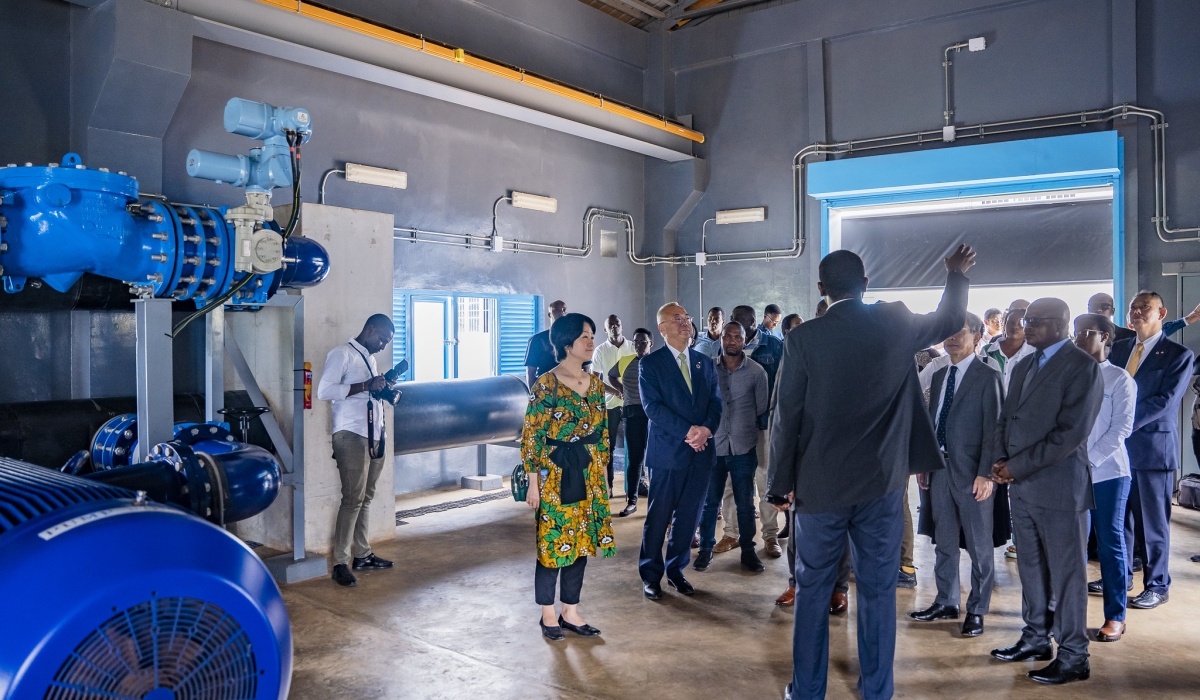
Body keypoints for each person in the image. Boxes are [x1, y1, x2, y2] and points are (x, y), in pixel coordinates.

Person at [768, 245, 974, 700]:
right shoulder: (895, 322)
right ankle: (877, 691)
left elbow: (787, 418)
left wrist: (779, 486)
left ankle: (807, 692)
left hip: (820, 490)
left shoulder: (803, 339)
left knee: (813, 590)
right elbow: (947, 319)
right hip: (882, 486)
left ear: (821, 289)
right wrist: (956, 275)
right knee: (878, 592)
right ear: (866, 284)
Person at [989, 298, 1104, 686]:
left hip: (1059, 490)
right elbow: (1008, 418)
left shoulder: (1082, 368)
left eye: (1036, 321)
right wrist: (1000, 459)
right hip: (1021, 488)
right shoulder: (1023, 365)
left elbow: (1069, 434)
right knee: (1031, 567)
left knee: (1067, 575)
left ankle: (1074, 654)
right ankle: (1036, 637)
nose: (1027, 326)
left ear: (1061, 324)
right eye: (1026, 320)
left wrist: (1015, 466)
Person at [519, 313, 616, 641]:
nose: (591, 342)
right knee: (552, 542)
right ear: (566, 344)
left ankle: (570, 611)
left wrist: (603, 476)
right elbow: (531, 436)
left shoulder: (597, 384)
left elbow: (602, 435)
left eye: (591, 336)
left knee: (581, 542)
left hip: (588, 471)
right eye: (584, 337)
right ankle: (548, 614)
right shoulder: (545, 384)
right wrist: (533, 483)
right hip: (553, 473)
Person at [910, 313, 1002, 638]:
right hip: (939, 469)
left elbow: (995, 430)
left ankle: (976, 610)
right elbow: (933, 425)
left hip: (973, 474)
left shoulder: (988, 376)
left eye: (960, 332)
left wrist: (987, 474)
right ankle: (946, 600)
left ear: (977, 337)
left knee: (979, 547)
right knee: (944, 542)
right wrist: (925, 463)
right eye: (948, 332)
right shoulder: (939, 375)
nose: (952, 338)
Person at [1109, 291, 1195, 610]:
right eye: (1133, 308)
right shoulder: (1117, 349)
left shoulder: (1177, 354)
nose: (1137, 312)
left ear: (1162, 313)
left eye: (1145, 307)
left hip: (1151, 449)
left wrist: (1119, 424)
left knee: (1152, 523)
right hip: (1115, 451)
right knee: (1121, 518)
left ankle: (1157, 584)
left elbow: (1164, 402)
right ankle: (1120, 576)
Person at [638, 303, 722, 600]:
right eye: (677, 319)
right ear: (662, 328)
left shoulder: (704, 362)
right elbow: (653, 408)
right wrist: (690, 432)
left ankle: (676, 570)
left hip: (700, 454)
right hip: (668, 454)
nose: (685, 323)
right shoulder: (651, 365)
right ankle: (651, 575)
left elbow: (715, 402)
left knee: (689, 518)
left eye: (686, 318)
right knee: (658, 518)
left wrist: (706, 430)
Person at [316, 314, 401, 588]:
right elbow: (324, 391)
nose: (382, 346)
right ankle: (340, 562)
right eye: (382, 340)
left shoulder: (369, 358)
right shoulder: (341, 354)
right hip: (350, 434)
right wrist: (366, 385)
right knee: (352, 498)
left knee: (366, 497)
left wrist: (382, 386)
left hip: (373, 434)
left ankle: (362, 555)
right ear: (370, 329)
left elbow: (367, 393)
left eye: (387, 343)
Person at [1073, 314, 1136, 643]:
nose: (1081, 337)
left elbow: (1121, 429)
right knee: (1074, 547)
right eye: (1076, 332)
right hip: (1071, 474)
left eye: (1088, 332)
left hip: (1109, 474)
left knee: (1111, 545)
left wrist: (1090, 461)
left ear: (1106, 337)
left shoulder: (1119, 379)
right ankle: (1072, 614)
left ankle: (1115, 616)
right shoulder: (1069, 375)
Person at [695, 322, 770, 573]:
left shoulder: (757, 372)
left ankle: (748, 550)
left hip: (743, 447)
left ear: (744, 340)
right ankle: (705, 550)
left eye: (737, 337)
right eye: (728, 336)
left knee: (745, 503)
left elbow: (761, 410)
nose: (732, 341)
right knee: (709, 502)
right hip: (713, 446)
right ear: (721, 340)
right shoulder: (707, 370)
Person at [713, 306, 785, 558]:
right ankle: (731, 534)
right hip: (728, 431)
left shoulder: (773, 346)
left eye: (742, 324)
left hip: (763, 427)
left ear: (754, 323)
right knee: (731, 484)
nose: (733, 336)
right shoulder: (721, 353)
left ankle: (770, 535)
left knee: (764, 481)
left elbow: (776, 389)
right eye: (732, 326)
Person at [610, 329, 654, 516]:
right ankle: (631, 501)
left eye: (643, 342)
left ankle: (656, 502)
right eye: (636, 341)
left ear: (650, 343)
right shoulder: (626, 361)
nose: (639, 345)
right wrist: (622, 390)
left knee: (654, 460)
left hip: (653, 416)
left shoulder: (657, 362)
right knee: (635, 460)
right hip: (632, 413)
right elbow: (612, 376)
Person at [592, 315, 636, 494]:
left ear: (622, 325)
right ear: (605, 330)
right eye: (610, 325)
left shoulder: (633, 346)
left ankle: (633, 487)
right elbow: (594, 380)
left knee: (633, 447)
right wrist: (615, 392)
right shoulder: (600, 350)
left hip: (632, 404)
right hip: (609, 406)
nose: (614, 327)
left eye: (617, 324)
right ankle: (608, 486)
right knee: (607, 447)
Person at [980, 306, 1035, 393]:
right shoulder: (988, 351)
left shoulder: (1033, 353)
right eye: (1011, 322)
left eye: (1020, 323)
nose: (1015, 327)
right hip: (991, 402)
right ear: (1004, 324)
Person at [525, 300, 568, 388]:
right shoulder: (537, 340)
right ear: (549, 314)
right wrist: (534, 397)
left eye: (564, 309)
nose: (561, 312)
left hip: (569, 392)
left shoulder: (574, 338)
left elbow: (585, 368)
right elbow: (530, 372)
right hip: (546, 390)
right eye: (557, 309)